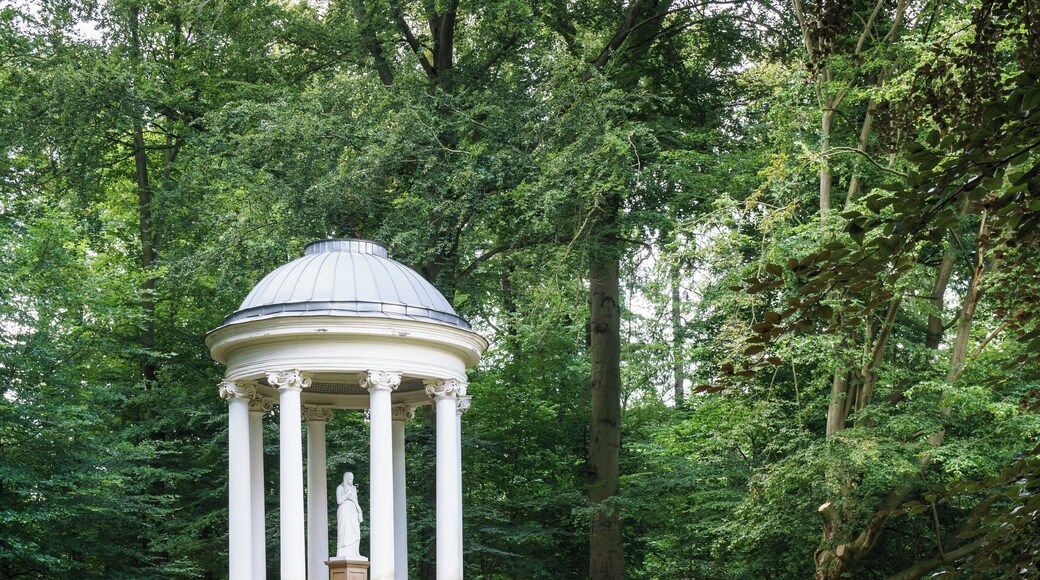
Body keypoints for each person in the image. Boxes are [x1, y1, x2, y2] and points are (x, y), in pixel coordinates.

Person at [336, 471, 364, 559]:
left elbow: (355, 500)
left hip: (353, 511)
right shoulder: (340, 488)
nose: (351, 480)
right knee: (345, 530)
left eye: (352, 478)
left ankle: (355, 552)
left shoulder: (354, 488)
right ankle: (343, 551)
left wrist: (359, 511)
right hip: (344, 511)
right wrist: (347, 495)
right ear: (345, 479)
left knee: (356, 530)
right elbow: (339, 501)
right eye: (349, 478)